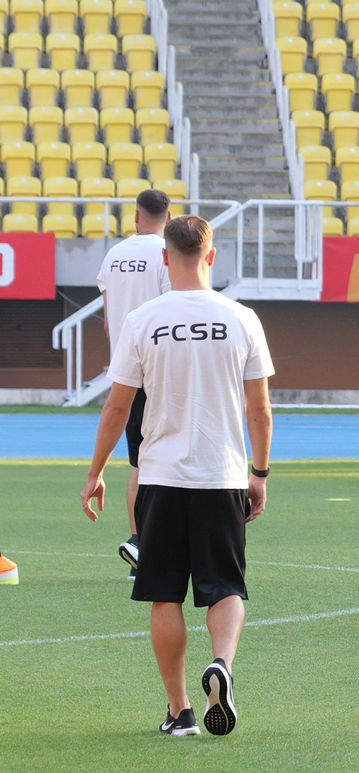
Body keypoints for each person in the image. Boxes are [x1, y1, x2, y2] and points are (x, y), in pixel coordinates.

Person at [81, 215, 275, 735]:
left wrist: (97, 472)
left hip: (161, 477)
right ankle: (223, 664)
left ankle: (180, 710)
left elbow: (116, 410)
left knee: (164, 593)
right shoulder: (242, 318)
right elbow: (260, 410)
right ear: (211, 257)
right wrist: (260, 473)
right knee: (227, 586)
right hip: (223, 474)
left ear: (165, 259)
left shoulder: (143, 319)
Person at [97, 189, 172, 581]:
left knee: (139, 460)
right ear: (169, 215)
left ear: (136, 216)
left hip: (126, 370)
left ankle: (140, 543)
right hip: (159, 370)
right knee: (164, 457)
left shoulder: (113, 256)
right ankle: (149, 545)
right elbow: (168, 313)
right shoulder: (166, 253)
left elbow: (110, 321)